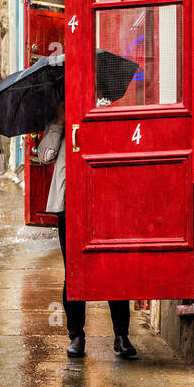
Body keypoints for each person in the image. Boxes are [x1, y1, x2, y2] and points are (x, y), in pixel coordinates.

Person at [36, 105, 138, 360]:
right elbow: (45, 155)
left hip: (106, 200)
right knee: (74, 270)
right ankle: (77, 336)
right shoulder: (61, 118)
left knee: (113, 267)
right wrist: (59, 122)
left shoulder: (106, 109)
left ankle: (121, 334)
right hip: (70, 203)